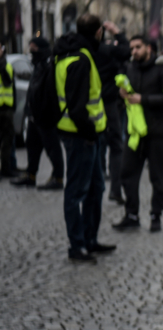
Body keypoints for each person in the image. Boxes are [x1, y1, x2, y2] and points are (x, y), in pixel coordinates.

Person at [54, 14, 116, 263]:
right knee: (77, 191)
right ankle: (77, 245)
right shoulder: (80, 58)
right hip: (81, 135)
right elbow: (78, 106)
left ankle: (89, 240)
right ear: (99, 31)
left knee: (96, 188)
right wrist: (90, 132)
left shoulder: (74, 53)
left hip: (85, 134)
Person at [112, 36, 163, 233]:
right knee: (127, 173)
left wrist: (144, 99)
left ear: (148, 48)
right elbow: (122, 95)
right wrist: (122, 95)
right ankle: (131, 215)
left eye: (138, 47)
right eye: (132, 48)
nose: (134, 51)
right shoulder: (130, 68)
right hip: (134, 133)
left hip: (157, 132)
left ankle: (155, 215)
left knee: (157, 177)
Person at [11, 38, 64, 189]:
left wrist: (48, 113)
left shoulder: (49, 64)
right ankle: (30, 174)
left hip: (46, 116)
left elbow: (50, 92)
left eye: (33, 48)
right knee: (32, 147)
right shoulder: (38, 65)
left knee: (52, 147)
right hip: (34, 115)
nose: (31, 51)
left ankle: (58, 178)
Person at [94, 21, 130, 203]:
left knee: (96, 146)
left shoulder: (78, 51)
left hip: (86, 106)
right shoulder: (106, 51)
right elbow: (126, 51)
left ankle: (96, 188)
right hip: (108, 103)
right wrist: (117, 32)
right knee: (116, 146)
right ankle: (115, 189)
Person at [0, 43, 15, 178]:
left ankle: (6, 168)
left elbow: (9, 83)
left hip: (7, 108)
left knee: (8, 141)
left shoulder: (7, 66)